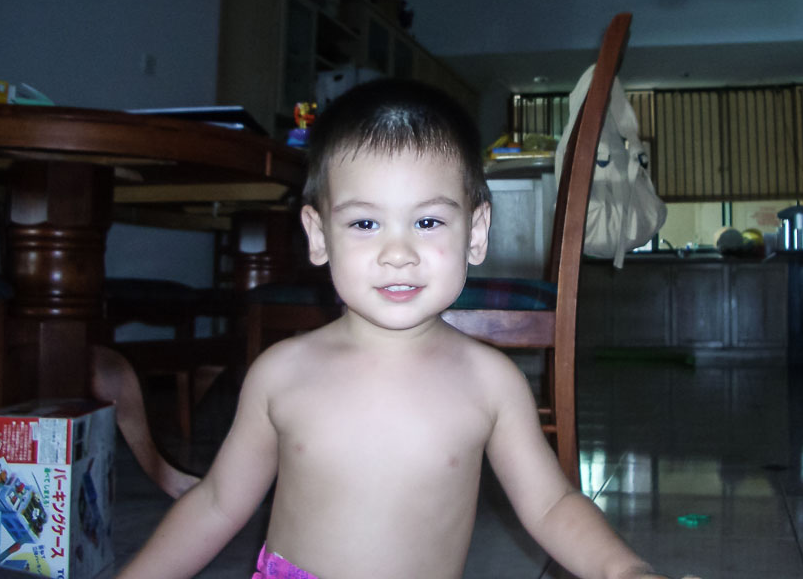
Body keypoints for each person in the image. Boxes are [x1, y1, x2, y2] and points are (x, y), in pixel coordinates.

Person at [117, 78, 697, 579]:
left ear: (476, 233)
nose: (398, 253)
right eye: (365, 224)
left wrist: (623, 569)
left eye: (427, 221)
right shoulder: (282, 373)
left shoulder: (490, 382)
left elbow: (550, 505)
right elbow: (217, 503)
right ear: (319, 236)